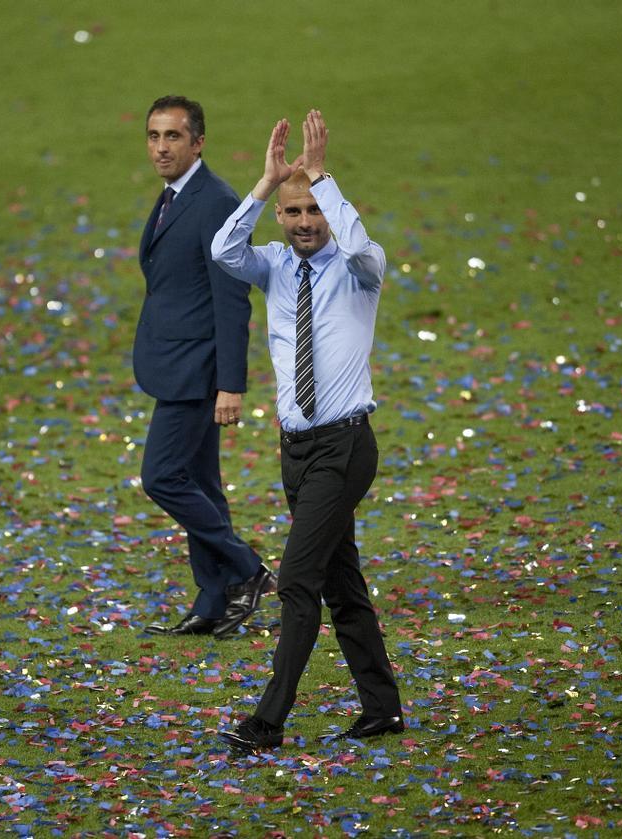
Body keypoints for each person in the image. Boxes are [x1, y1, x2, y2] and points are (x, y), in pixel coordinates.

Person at [210, 110, 403, 750]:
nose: (302, 222)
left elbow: (357, 246)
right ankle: (383, 709)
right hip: (295, 451)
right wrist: (266, 185)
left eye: (313, 210)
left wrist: (325, 179)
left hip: (345, 446)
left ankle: (268, 720)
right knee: (343, 583)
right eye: (292, 212)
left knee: (297, 581)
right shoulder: (271, 265)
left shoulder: (359, 268)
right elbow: (222, 250)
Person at [134, 95, 275, 639]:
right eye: (153, 136)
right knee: (200, 482)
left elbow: (230, 298)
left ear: (199, 142)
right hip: (175, 360)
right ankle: (213, 599)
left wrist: (230, 385)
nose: (161, 147)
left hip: (196, 369)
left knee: (163, 476)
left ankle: (247, 570)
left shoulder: (215, 200)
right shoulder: (175, 196)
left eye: (173, 136)